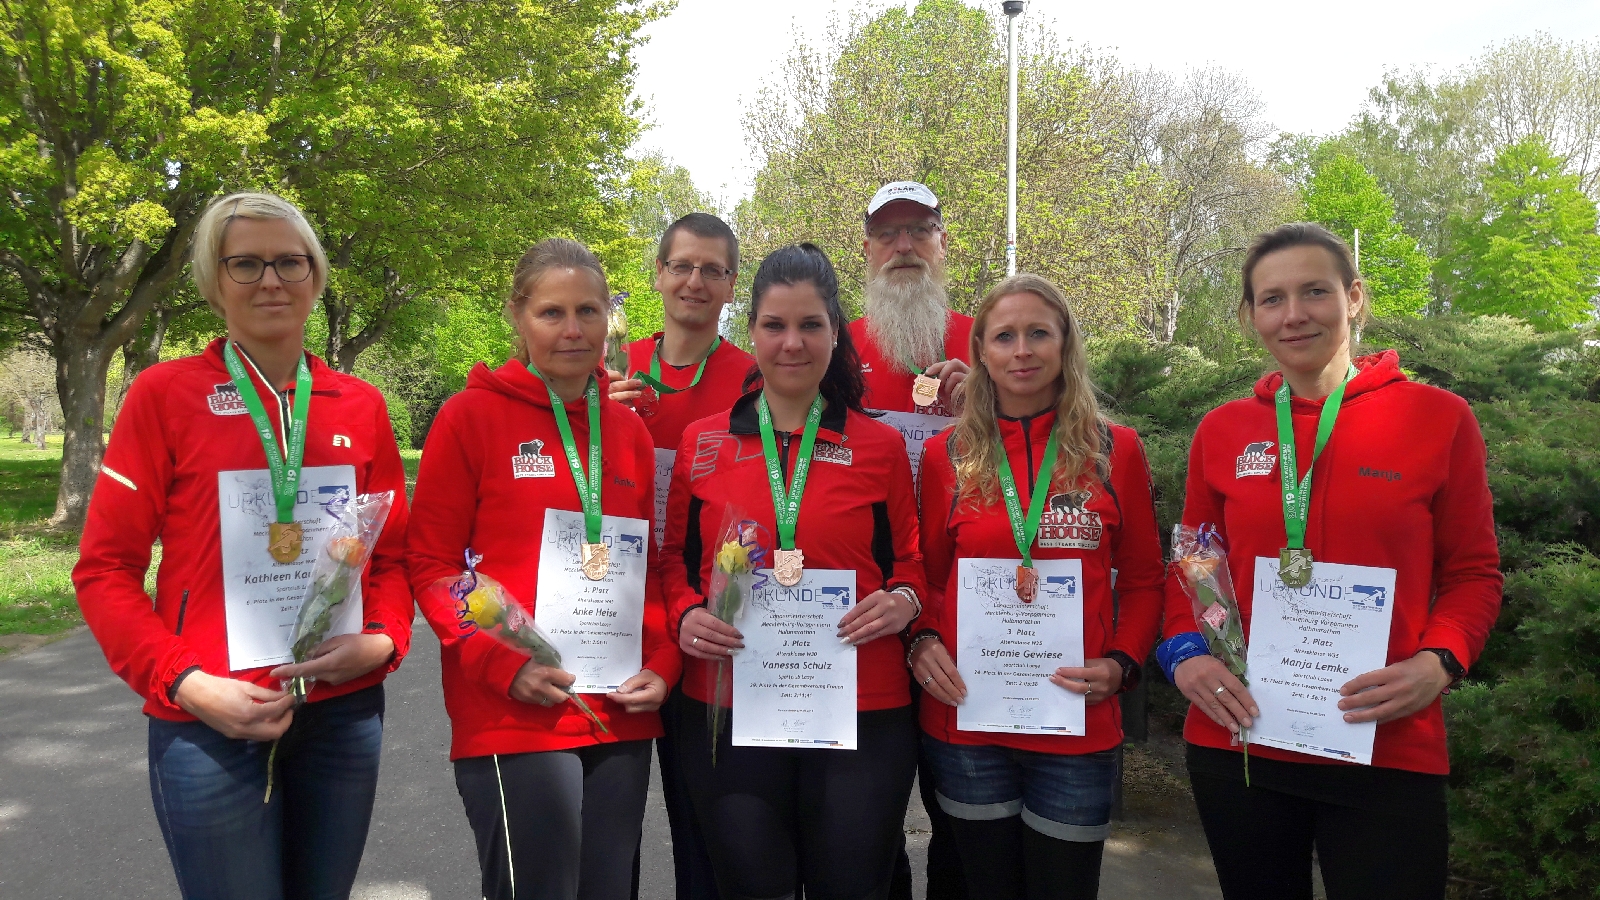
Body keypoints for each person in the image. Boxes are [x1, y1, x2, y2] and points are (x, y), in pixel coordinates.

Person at [73, 192, 413, 900]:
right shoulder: (164, 395)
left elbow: (392, 556)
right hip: (209, 713)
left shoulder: (360, 405)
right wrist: (184, 682)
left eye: (290, 262)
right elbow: (105, 569)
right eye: (246, 264)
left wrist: (382, 639)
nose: (271, 281)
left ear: (316, 276)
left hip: (341, 710)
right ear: (213, 281)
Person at [1156, 223, 1502, 900]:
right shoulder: (1223, 430)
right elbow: (1193, 566)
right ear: (1250, 315)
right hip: (1241, 737)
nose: (1294, 314)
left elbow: (1473, 574)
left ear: (1354, 298)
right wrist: (1186, 655)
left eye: (1314, 292)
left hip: (1384, 740)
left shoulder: (1438, 418)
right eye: (1272, 298)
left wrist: (1441, 661)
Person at [407, 238, 681, 900]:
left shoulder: (629, 433)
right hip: (512, 710)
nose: (572, 329)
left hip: (618, 709)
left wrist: (664, 662)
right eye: (551, 312)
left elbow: (650, 566)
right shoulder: (469, 417)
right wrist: (500, 663)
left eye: (588, 311)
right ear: (518, 315)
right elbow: (434, 566)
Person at [662, 243, 925, 900]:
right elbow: (673, 563)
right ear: (751, 331)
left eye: (810, 325)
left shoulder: (880, 445)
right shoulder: (702, 442)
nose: (792, 342)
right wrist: (685, 613)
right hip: (731, 704)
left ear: (836, 333)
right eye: (775, 325)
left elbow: (912, 562)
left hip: (861, 707)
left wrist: (904, 601)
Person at [909, 274, 1166, 900]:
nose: (1021, 350)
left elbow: (1143, 581)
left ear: (1065, 343)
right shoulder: (947, 455)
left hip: (1076, 724)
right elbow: (928, 576)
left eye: (1038, 333)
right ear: (981, 351)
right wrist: (923, 640)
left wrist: (1123, 662)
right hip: (968, 723)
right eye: (1004, 336)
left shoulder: (1115, 450)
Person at [607, 212, 753, 900]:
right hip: (613, 615)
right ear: (659, 274)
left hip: (707, 620)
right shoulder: (610, 364)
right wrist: (593, 412)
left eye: (713, 270)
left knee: (706, 823)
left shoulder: (754, 377)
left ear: (731, 286)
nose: (696, 281)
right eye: (683, 266)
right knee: (612, 825)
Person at [851, 180, 972, 900]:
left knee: (964, 817)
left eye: (918, 231)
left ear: (942, 244)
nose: (903, 246)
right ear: (867, 249)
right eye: (888, 234)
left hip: (965, 613)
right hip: (870, 611)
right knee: (870, 822)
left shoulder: (991, 340)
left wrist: (988, 396)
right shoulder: (836, 344)